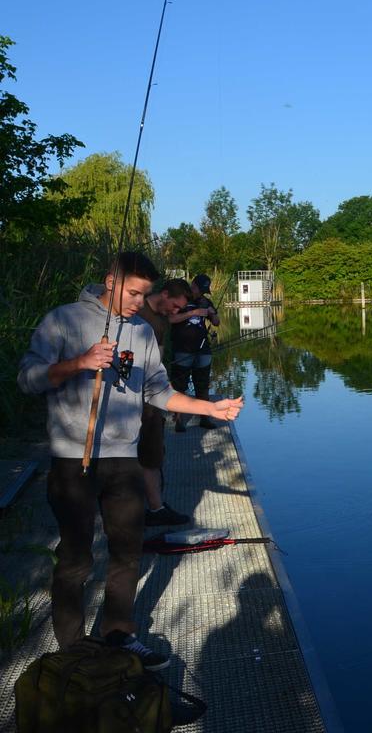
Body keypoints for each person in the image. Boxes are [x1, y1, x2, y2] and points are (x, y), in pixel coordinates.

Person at [17, 252, 244, 669]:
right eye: (133, 292)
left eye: (145, 294)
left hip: (124, 459)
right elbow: (28, 378)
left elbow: (157, 390)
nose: (139, 301)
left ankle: (119, 633)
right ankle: (73, 650)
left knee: (127, 552)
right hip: (74, 460)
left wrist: (209, 409)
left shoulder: (141, 331)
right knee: (76, 560)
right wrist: (79, 363)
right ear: (110, 281)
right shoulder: (63, 320)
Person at [136, 278, 194, 526]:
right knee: (136, 454)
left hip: (153, 395)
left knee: (154, 452)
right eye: (175, 306)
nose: (175, 312)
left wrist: (166, 389)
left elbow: (157, 356)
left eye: (179, 310)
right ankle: (148, 508)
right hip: (132, 397)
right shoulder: (137, 311)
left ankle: (156, 507)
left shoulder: (161, 320)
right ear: (165, 293)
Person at [169, 272, 219, 431]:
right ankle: (178, 420)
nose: (202, 294)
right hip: (182, 349)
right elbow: (171, 319)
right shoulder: (181, 300)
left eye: (205, 292)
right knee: (179, 385)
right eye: (200, 290)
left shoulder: (205, 301)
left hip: (203, 350)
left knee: (202, 385)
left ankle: (204, 418)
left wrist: (211, 311)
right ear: (193, 286)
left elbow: (217, 322)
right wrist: (193, 312)